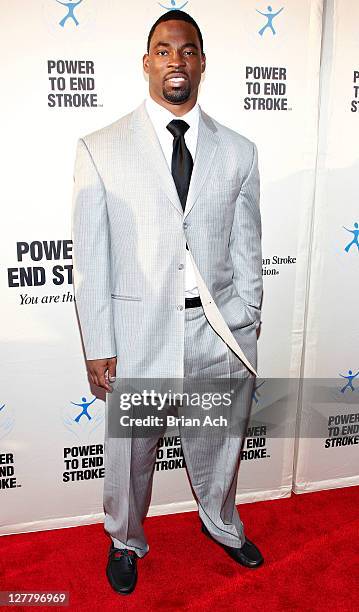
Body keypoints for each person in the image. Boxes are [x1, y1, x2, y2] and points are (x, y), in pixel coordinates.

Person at [71, 9, 264, 595]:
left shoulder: (239, 150)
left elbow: (249, 245)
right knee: (131, 455)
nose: (175, 61)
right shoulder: (100, 147)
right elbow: (92, 258)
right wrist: (100, 343)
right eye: (163, 49)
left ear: (202, 62)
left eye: (187, 50)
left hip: (217, 333)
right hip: (139, 335)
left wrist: (247, 316)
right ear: (147, 61)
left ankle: (221, 523)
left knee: (220, 441)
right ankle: (126, 540)